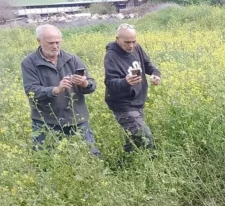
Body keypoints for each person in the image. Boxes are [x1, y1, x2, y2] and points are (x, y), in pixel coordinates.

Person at [21, 24, 100, 156]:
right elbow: (31, 90)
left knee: (91, 156)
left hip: (76, 118)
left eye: (58, 42)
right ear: (38, 41)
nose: (55, 46)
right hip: (45, 121)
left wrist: (85, 83)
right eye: (50, 43)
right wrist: (56, 90)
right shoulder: (29, 63)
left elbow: (92, 85)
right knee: (44, 160)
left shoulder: (72, 59)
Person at [104, 23, 161, 153]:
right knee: (145, 136)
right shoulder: (111, 56)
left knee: (133, 140)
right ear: (117, 39)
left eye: (133, 42)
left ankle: (123, 165)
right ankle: (153, 162)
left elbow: (147, 65)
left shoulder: (136, 48)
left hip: (137, 101)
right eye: (127, 42)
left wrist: (155, 74)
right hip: (123, 104)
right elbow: (110, 83)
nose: (131, 46)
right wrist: (126, 82)